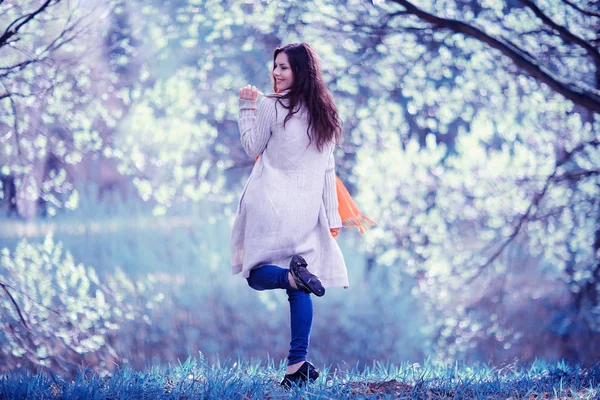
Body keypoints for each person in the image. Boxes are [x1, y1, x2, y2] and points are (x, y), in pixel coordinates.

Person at [230, 42, 349, 389]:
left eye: (283, 67)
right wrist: (332, 216)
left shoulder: (272, 105)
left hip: (269, 203)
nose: (276, 73)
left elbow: (252, 147)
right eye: (275, 66)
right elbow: (328, 170)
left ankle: (297, 360)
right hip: (305, 210)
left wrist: (246, 106)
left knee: (256, 274)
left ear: (300, 71)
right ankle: (296, 365)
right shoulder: (326, 112)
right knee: (301, 287)